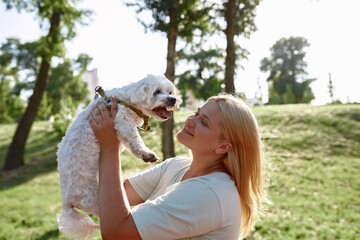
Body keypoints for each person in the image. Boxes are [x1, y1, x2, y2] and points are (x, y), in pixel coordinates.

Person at [88, 94, 270, 240]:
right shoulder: (177, 166)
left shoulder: (210, 194)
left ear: (223, 147)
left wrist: (110, 146)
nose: (191, 120)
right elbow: (109, 198)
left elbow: (116, 233)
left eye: (204, 122)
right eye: (197, 113)